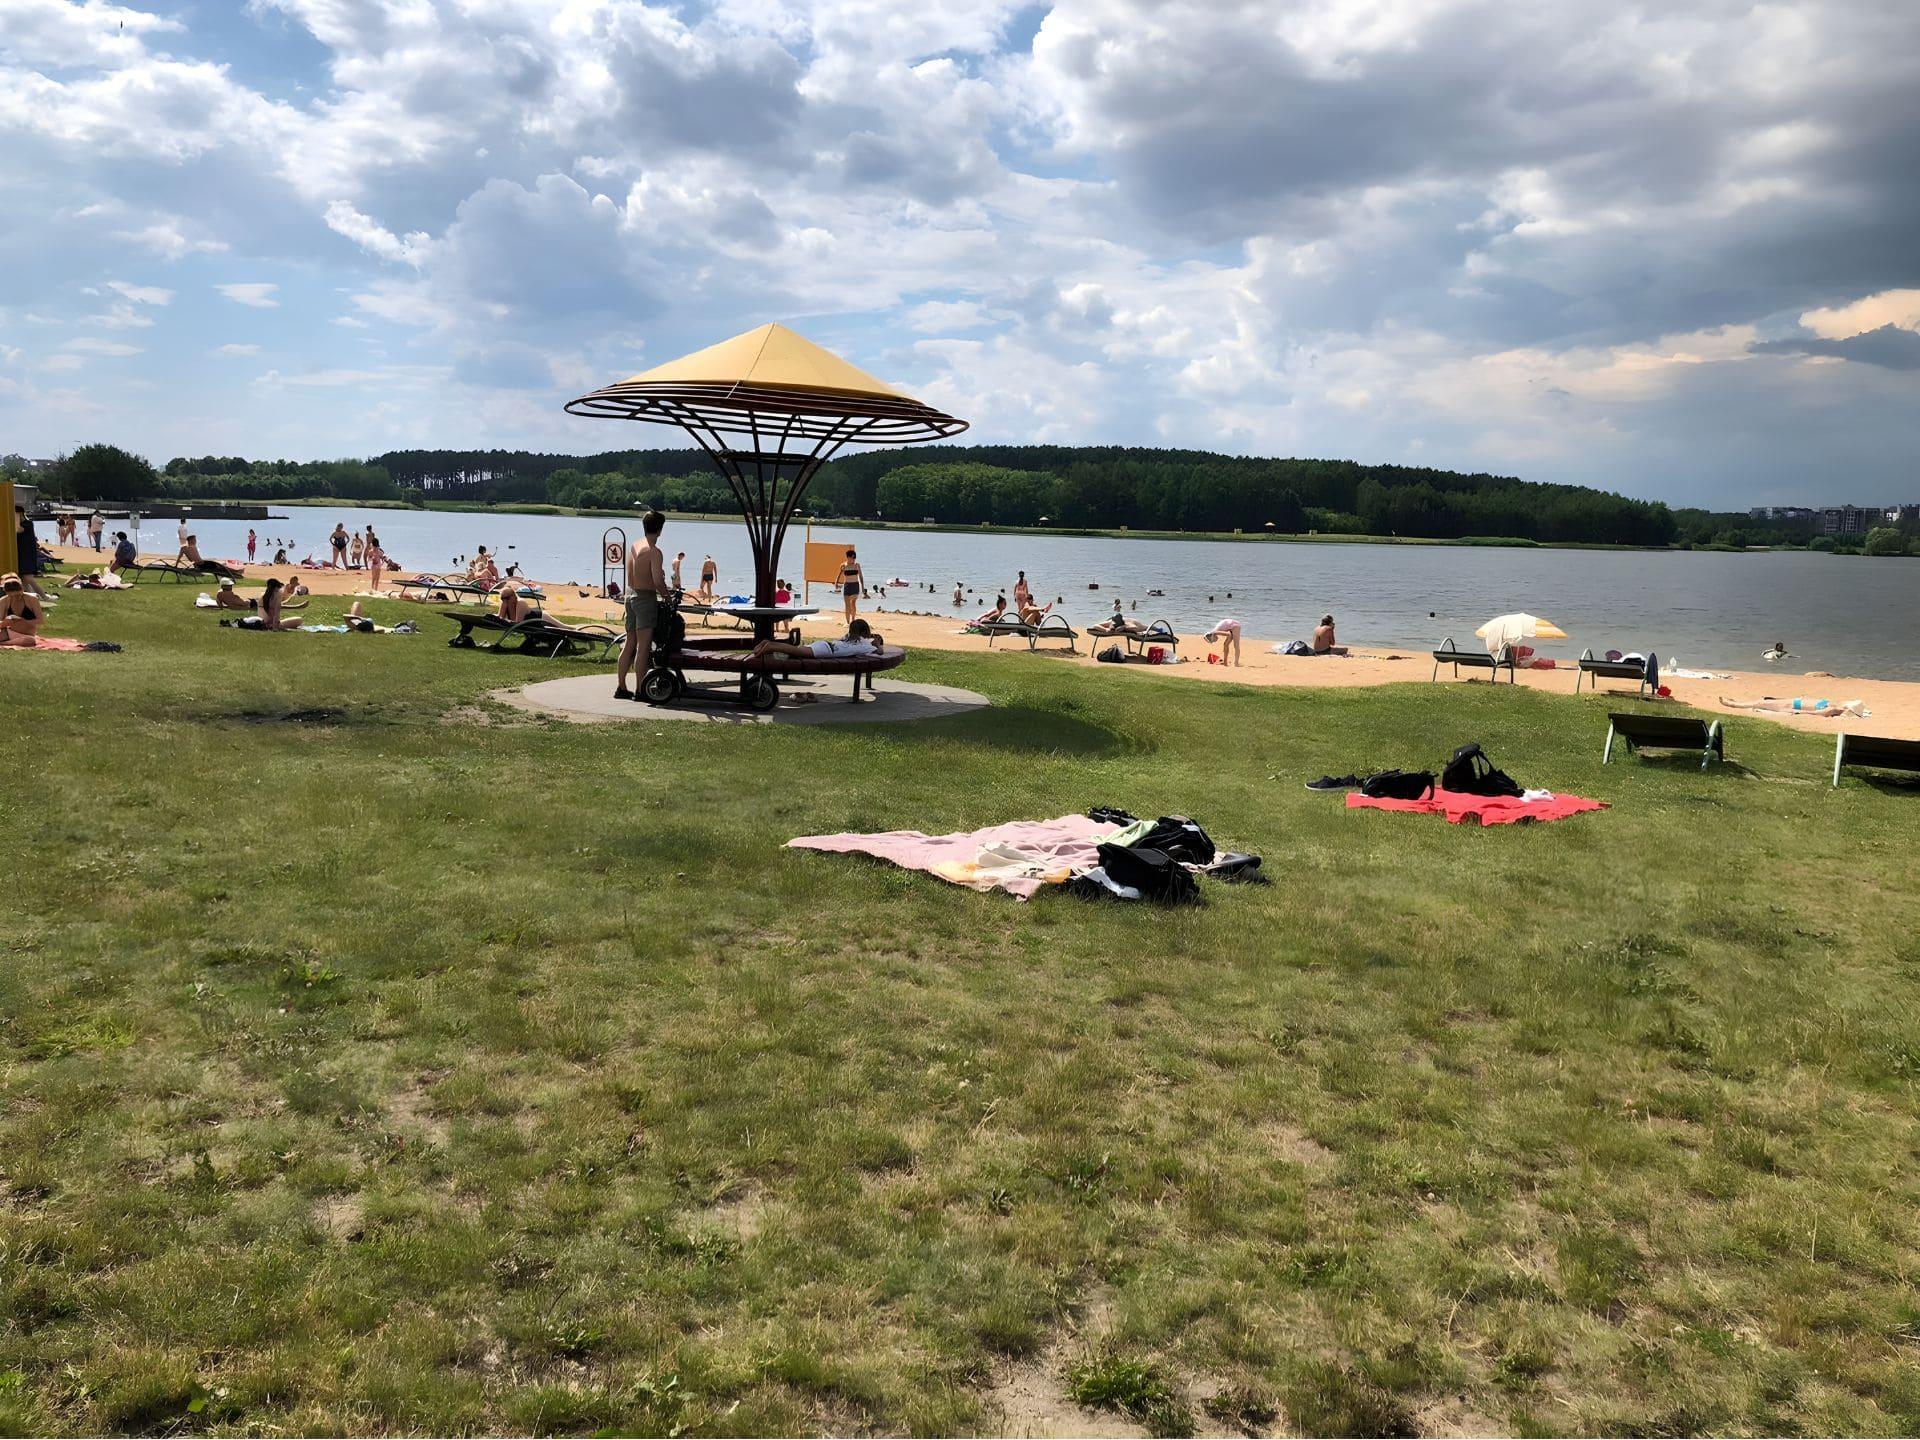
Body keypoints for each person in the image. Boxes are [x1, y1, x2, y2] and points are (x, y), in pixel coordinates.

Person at [614, 511, 668, 701]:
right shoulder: (654, 551)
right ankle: (640, 690)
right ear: (660, 529)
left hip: (630, 595)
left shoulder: (635, 546)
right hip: (645, 598)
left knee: (630, 642)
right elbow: (657, 580)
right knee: (643, 646)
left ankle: (621, 686)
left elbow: (633, 574)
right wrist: (667, 596)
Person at [749, 618, 883, 662]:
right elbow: (880, 652)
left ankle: (768, 644)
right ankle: (770, 646)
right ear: (864, 633)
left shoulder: (848, 638)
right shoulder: (864, 646)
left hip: (824, 645)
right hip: (824, 650)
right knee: (795, 650)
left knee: (796, 651)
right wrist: (877, 643)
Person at [0, 572, 43, 646]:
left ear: (22, 590)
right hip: (8, 632)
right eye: (12, 596)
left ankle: (4, 643)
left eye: (17, 595)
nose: (15, 598)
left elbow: (40, 621)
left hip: (26, 635)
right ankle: (7, 642)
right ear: (6, 592)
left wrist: (23, 621)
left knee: (30, 641)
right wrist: (6, 622)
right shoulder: (4, 601)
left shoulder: (32, 599)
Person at [837, 547, 865, 625]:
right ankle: (848, 622)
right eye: (852, 558)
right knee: (847, 605)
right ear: (848, 557)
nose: (853, 559)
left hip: (855, 585)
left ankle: (853, 620)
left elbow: (861, 577)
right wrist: (836, 583)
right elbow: (838, 576)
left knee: (853, 603)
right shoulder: (843, 565)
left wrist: (862, 588)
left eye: (854, 558)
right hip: (847, 586)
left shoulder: (857, 565)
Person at [365, 527, 386, 594]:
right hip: (377, 565)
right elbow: (382, 557)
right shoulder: (378, 551)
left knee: (374, 578)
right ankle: (375, 589)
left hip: (375, 565)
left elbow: (369, 558)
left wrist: (372, 558)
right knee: (376, 578)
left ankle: (373, 589)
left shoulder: (372, 551)